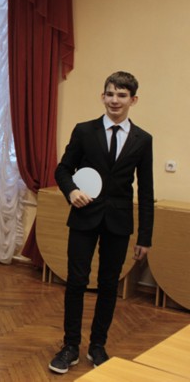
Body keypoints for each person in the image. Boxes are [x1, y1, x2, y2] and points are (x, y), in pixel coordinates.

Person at [48, 71, 154, 374]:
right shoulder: (84, 131)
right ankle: (70, 346)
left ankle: (98, 345)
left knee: (109, 285)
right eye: (110, 94)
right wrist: (72, 191)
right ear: (102, 96)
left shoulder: (143, 139)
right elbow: (62, 169)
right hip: (83, 218)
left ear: (133, 100)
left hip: (119, 223)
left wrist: (144, 237)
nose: (114, 100)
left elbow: (146, 191)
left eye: (122, 95)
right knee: (76, 282)